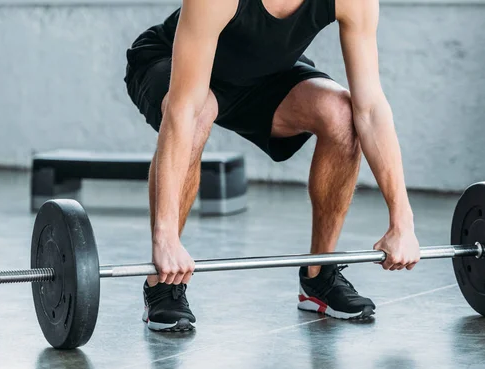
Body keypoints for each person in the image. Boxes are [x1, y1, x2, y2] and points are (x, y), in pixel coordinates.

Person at [124, 0, 421, 332]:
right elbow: (184, 111)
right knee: (200, 111)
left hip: (264, 76)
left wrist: (402, 222)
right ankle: (162, 283)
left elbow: (371, 110)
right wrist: (162, 239)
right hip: (170, 64)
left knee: (341, 114)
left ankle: (318, 276)